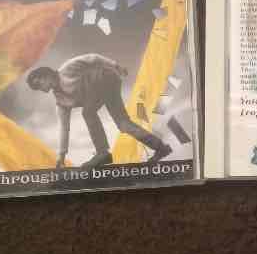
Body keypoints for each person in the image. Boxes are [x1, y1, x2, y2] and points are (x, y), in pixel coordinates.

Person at [26, 53, 172, 168]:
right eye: (37, 88)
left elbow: (93, 58)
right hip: (104, 88)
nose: (41, 88)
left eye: (39, 83)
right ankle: (161, 148)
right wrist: (61, 155)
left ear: (46, 75)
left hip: (106, 76)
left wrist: (116, 66)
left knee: (88, 112)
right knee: (123, 124)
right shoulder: (61, 102)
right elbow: (64, 127)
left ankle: (102, 152)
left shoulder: (67, 68)